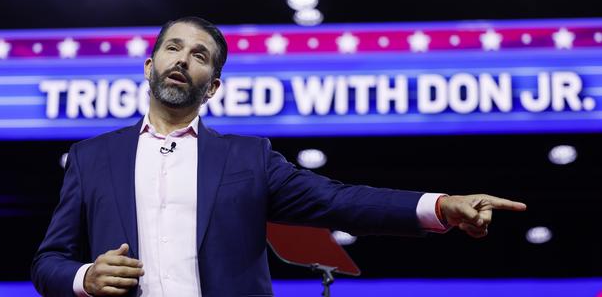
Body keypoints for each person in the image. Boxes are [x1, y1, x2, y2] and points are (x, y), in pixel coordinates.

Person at [31, 16, 527, 297]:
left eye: (199, 56)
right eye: (172, 48)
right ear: (149, 66)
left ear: (213, 87)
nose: (182, 59)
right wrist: (84, 278)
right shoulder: (91, 157)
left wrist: (440, 205)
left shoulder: (248, 159)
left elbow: (341, 201)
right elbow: (48, 261)